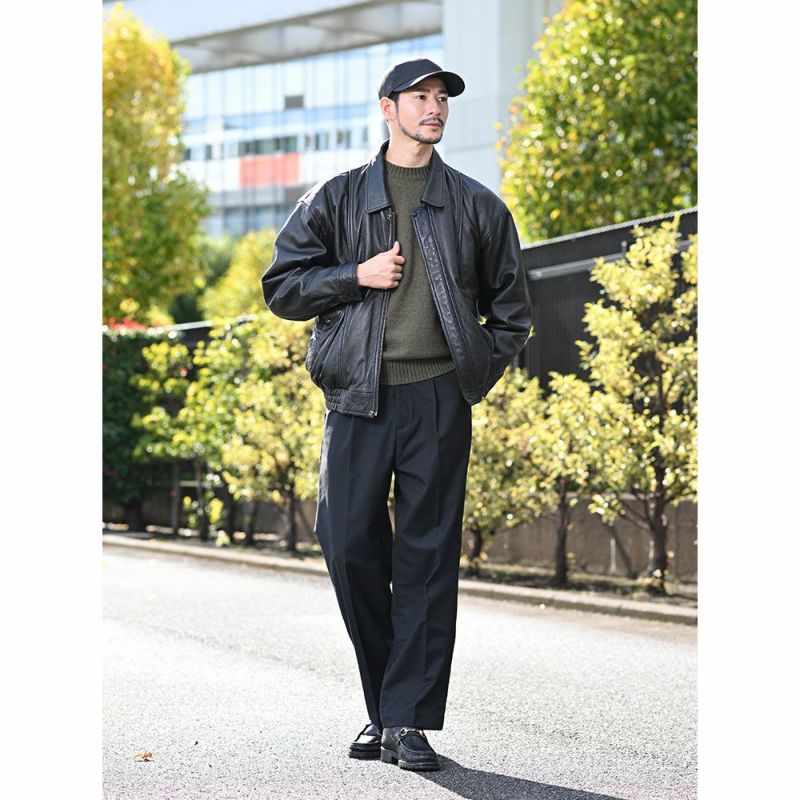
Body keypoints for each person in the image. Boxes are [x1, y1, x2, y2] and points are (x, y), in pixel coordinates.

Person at [261, 57, 532, 772]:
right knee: (348, 545)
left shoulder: (477, 206)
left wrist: (471, 372)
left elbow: (511, 313)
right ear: (388, 108)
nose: (434, 107)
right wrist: (354, 275)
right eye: (421, 96)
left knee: (426, 561)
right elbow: (282, 287)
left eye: (442, 97)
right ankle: (386, 706)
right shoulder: (337, 197)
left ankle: (406, 721)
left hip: (436, 398)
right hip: (357, 397)